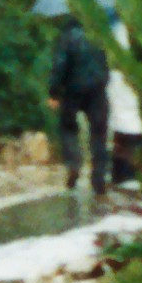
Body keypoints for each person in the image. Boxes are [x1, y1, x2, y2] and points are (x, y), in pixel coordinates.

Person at [45, 20, 112, 196]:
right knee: (99, 133)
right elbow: (108, 64)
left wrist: (53, 93)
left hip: (72, 90)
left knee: (68, 128)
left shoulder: (66, 38)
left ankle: (74, 165)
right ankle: (98, 178)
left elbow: (60, 65)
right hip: (97, 90)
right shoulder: (100, 36)